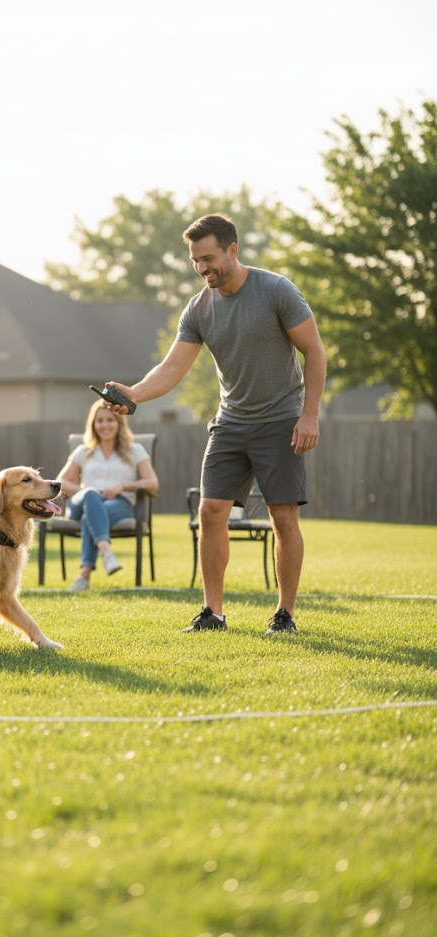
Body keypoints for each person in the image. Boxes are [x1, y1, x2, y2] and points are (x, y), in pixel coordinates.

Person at [106, 213, 327, 634]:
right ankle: (214, 613)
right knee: (210, 512)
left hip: (281, 419)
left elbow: (314, 352)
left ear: (232, 250)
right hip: (230, 423)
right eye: (195, 261)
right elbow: (173, 368)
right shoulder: (199, 309)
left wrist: (309, 415)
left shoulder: (277, 291)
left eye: (208, 258)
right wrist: (133, 394)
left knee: (283, 518)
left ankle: (285, 615)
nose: (202, 268)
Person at [58, 399, 159, 592]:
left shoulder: (135, 450)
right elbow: (61, 482)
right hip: (81, 503)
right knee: (91, 498)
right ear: (93, 425)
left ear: (119, 423)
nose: (105, 425)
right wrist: (88, 492)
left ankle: (84, 576)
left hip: (118, 505)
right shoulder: (83, 451)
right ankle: (106, 552)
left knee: (92, 515)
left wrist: (122, 486)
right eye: (100, 421)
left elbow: (153, 483)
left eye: (110, 420)